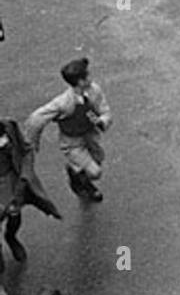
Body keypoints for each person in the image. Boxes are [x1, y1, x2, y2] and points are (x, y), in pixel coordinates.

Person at [23, 58, 112, 203]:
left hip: (90, 135)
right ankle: (78, 178)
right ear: (80, 82)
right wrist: (31, 142)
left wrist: (103, 121)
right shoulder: (64, 103)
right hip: (73, 142)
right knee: (95, 172)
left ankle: (78, 173)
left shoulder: (94, 90)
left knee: (98, 159)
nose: (91, 77)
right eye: (87, 75)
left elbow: (104, 109)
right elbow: (37, 118)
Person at [0, 119, 62, 270]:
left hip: (10, 180)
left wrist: (25, 176)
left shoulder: (8, 126)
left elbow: (26, 150)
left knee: (14, 213)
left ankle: (11, 236)